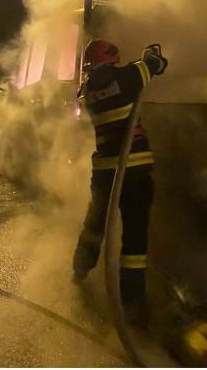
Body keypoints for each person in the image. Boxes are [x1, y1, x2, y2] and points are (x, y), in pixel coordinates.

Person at [72, 39, 168, 327]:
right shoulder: (127, 76)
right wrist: (151, 56)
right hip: (134, 171)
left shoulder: (86, 90)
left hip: (105, 173)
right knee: (134, 238)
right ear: (111, 60)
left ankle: (80, 268)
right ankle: (133, 301)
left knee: (95, 224)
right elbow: (159, 65)